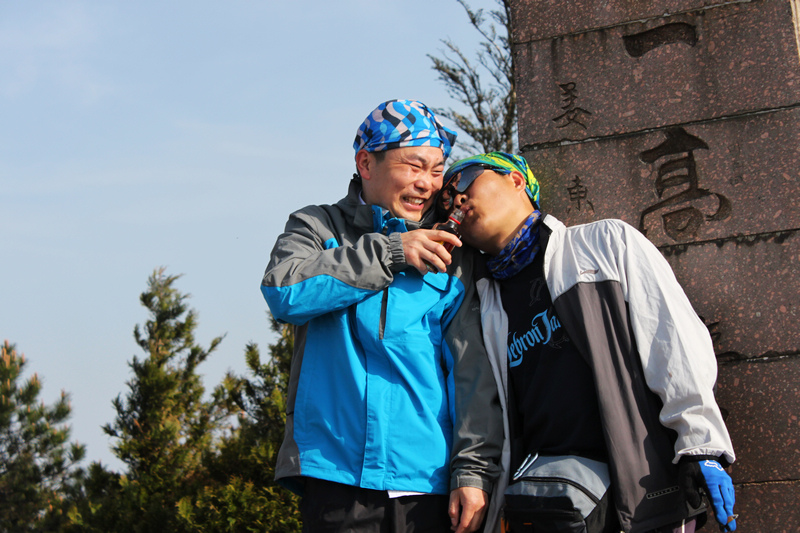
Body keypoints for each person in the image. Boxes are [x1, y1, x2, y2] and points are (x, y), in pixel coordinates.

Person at [436, 152, 737, 533]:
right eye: (445, 198)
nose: (457, 198)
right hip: (548, 504)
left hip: (642, 491)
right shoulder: (480, 300)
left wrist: (701, 444)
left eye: (466, 180)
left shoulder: (605, 242)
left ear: (515, 179)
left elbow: (673, 339)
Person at [260, 100, 502, 533]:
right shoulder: (317, 226)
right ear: (365, 163)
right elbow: (284, 291)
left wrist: (472, 471)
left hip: (428, 485)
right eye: (414, 166)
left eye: (436, 170)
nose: (427, 183)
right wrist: (391, 253)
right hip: (334, 479)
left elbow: (472, 372)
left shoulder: (453, 251)